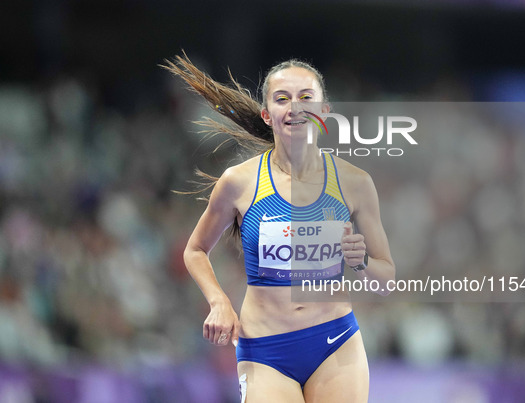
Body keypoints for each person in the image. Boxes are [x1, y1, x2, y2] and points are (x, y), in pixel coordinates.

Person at [164, 53, 395, 403]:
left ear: (325, 111)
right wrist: (219, 301)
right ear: (267, 114)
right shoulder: (238, 182)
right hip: (266, 351)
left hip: (335, 344)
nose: (295, 107)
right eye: (282, 98)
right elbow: (195, 250)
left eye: (306, 97)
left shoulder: (355, 183)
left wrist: (361, 262)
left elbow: (387, 281)